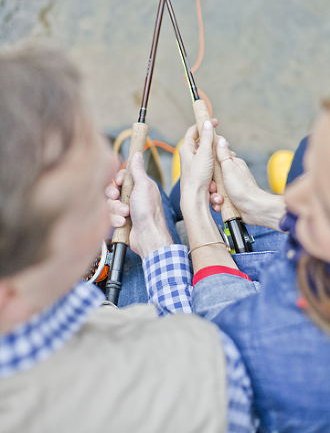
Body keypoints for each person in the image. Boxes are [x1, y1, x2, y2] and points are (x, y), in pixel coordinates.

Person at [113, 64, 330, 432]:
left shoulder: (285, 350)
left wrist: (165, 231)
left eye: (328, 207)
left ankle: (171, 195)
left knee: (161, 207)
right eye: (312, 177)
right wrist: (262, 205)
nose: (295, 197)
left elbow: (204, 346)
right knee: (303, 152)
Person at [0, 47, 255, 433]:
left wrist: (84, 262)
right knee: (174, 210)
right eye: (90, 204)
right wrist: (161, 234)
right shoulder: (193, 386)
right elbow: (210, 345)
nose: (110, 165)